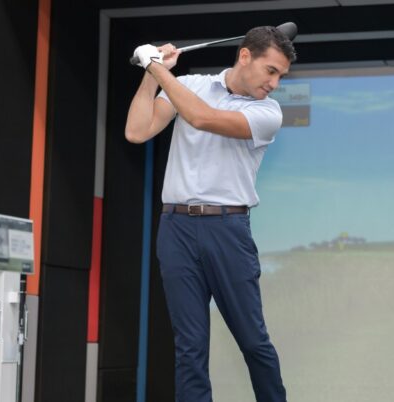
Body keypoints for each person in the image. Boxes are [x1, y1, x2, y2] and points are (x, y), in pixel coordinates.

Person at [124, 26, 296, 402]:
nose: (275, 83)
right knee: (189, 348)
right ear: (245, 55)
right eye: (271, 71)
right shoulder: (192, 84)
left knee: (253, 342)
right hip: (176, 229)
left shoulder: (267, 112)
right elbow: (137, 131)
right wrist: (150, 75)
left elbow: (201, 118)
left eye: (281, 76)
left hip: (227, 229)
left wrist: (160, 70)